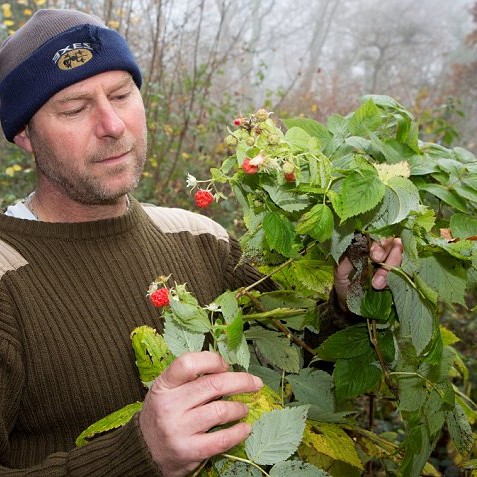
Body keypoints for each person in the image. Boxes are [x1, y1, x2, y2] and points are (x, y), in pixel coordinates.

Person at [0, 9, 402, 476]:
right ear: (26, 135)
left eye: (122, 95)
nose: (112, 125)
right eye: (74, 108)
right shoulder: (8, 282)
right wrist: (138, 454)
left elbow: (310, 371)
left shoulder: (201, 238)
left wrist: (348, 298)